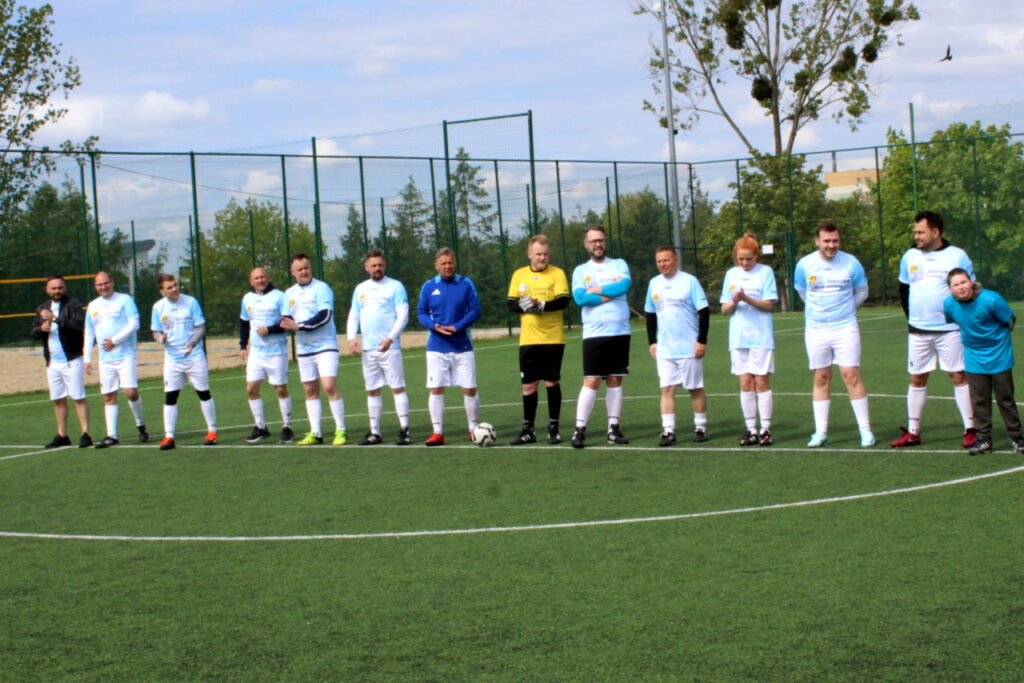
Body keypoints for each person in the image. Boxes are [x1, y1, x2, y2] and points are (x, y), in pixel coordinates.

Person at [891, 210, 977, 449]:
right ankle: (913, 431)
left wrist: (964, 318)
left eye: (921, 232)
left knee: (958, 376)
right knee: (917, 378)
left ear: (936, 232)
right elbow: (904, 290)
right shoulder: (910, 256)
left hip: (950, 330)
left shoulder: (957, 255)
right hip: (918, 331)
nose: (916, 236)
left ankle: (970, 429)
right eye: (916, 232)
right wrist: (912, 319)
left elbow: (971, 289)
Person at [793, 222, 874, 448]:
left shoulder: (851, 262)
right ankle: (821, 432)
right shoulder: (804, 264)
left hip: (845, 327)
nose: (831, 245)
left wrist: (845, 310)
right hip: (816, 329)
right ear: (817, 241)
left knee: (851, 375)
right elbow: (802, 292)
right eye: (827, 241)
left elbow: (862, 292)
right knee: (821, 377)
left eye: (835, 241)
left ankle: (865, 430)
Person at [943, 268, 1023, 455]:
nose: (961, 287)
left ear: (971, 282)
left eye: (964, 282)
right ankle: (984, 439)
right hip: (973, 357)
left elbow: (1010, 320)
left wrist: (996, 340)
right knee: (979, 400)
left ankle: (1017, 437)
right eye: (956, 285)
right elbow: (955, 320)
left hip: (999, 355)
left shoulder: (991, 299)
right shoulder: (949, 304)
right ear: (950, 289)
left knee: (1005, 399)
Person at [570, 225, 632, 449]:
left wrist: (596, 289)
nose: (598, 244)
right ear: (586, 245)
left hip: (619, 331)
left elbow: (624, 286)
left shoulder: (619, 264)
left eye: (601, 240)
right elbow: (580, 298)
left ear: (605, 242)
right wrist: (609, 294)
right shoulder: (580, 270)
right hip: (594, 334)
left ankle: (613, 429)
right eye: (593, 241)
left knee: (615, 379)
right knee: (592, 380)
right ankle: (579, 430)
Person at [506, 235, 571, 445]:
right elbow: (511, 303)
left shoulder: (557, 273)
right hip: (528, 340)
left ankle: (554, 428)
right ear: (529, 254)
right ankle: (528, 430)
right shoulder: (519, 274)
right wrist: (525, 306)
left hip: (553, 338)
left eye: (545, 254)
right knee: (529, 386)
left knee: (551, 382)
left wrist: (541, 305)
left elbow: (563, 301)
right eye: (538, 254)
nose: (542, 258)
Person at [416, 247, 482, 446]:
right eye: (443, 263)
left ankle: (473, 429)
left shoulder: (466, 283)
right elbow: (421, 313)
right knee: (436, 389)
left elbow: (476, 310)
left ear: (455, 263)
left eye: (450, 262)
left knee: (469, 388)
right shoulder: (429, 286)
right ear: (436, 265)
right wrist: (434, 326)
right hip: (437, 347)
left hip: (463, 346)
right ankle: (437, 432)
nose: (447, 266)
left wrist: (458, 326)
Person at [645, 245, 710, 446]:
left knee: (695, 388)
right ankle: (668, 431)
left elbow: (704, 311)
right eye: (659, 261)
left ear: (676, 260)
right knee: (667, 389)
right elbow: (650, 313)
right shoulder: (654, 283)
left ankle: (700, 427)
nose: (662, 264)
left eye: (666, 260)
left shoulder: (689, 281)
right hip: (665, 349)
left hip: (689, 348)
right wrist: (652, 342)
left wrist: (701, 341)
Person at [346, 249, 412, 446]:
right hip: (369, 350)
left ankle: (405, 430)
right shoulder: (360, 289)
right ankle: (375, 432)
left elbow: (403, 315)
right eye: (373, 265)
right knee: (372, 390)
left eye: (380, 265)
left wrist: (390, 338)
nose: (377, 268)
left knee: (397, 387)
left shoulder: (395, 286)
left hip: (390, 348)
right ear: (366, 267)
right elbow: (354, 315)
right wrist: (351, 338)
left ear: (385, 265)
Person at [280, 253, 346, 446]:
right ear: (293, 272)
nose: (304, 272)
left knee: (329, 386)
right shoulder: (289, 293)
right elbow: (286, 318)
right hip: (304, 349)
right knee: (310, 390)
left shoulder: (322, 288)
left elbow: (325, 316)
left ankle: (341, 430)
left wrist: (299, 326)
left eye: (306, 268)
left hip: (326, 346)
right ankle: (315, 433)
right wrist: (285, 324)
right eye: (299, 269)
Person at [720, 233, 778, 446]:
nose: (745, 263)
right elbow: (724, 309)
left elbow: (768, 304)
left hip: (761, 336)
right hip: (738, 337)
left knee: (761, 382)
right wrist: (735, 302)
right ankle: (751, 429)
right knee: (745, 383)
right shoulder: (731, 274)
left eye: (749, 259)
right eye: (741, 259)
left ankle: (766, 429)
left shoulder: (765, 272)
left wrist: (746, 298)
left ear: (756, 257)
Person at [151, 274, 218, 450]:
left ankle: (212, 431)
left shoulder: (191, 302)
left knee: (203, 393)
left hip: (194, 357)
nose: (175, 289)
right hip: (172, 360)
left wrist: (192, 343)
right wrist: (160, 338)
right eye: (170, 287)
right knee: (170, 396)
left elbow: (200, 328)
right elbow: (156, 332)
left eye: (175, 285)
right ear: (162, 291)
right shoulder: (158, 307)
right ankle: (169, 436)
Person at [83, 271, 148, 449]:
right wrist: (87, 358)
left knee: (130, 392)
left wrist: (115, 340)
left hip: (125, 354)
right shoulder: (93, 306)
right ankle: (112, 435)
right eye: (99, 284)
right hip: (105, 359)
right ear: (95, 286)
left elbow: (134, 324)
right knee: (109, 395)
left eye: (106, 283)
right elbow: (89, 333)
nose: (103, 287)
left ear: (111, 282)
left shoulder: (124, 300)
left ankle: (140, 423)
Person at [32, 275, 92, 448]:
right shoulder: (42, 308)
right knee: (58, 399)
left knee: (78, 397)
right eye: (53, 288)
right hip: (53, 362)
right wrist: (40, 329)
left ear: (65, 288)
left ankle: (85, 433)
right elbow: (34, 333)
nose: (57, 291)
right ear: (47, 290)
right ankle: (62, 435)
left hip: (72, 358)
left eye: (60, 288)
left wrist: (56, 319)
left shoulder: (73, 305)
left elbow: (79, 327)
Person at [239, 267, 293, 444]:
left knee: (280, 389)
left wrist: (270, 330)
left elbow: (287, 322)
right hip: (256, 352)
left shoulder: (280, 296)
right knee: (251, 388)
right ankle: (261, 427)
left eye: (262, 277)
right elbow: (244, 322)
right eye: (256, 278)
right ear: (251, 281)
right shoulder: (247, 298)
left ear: (268, 278)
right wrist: (243, 345)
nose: (260, 280)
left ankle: (287, 427)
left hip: (276, 351)